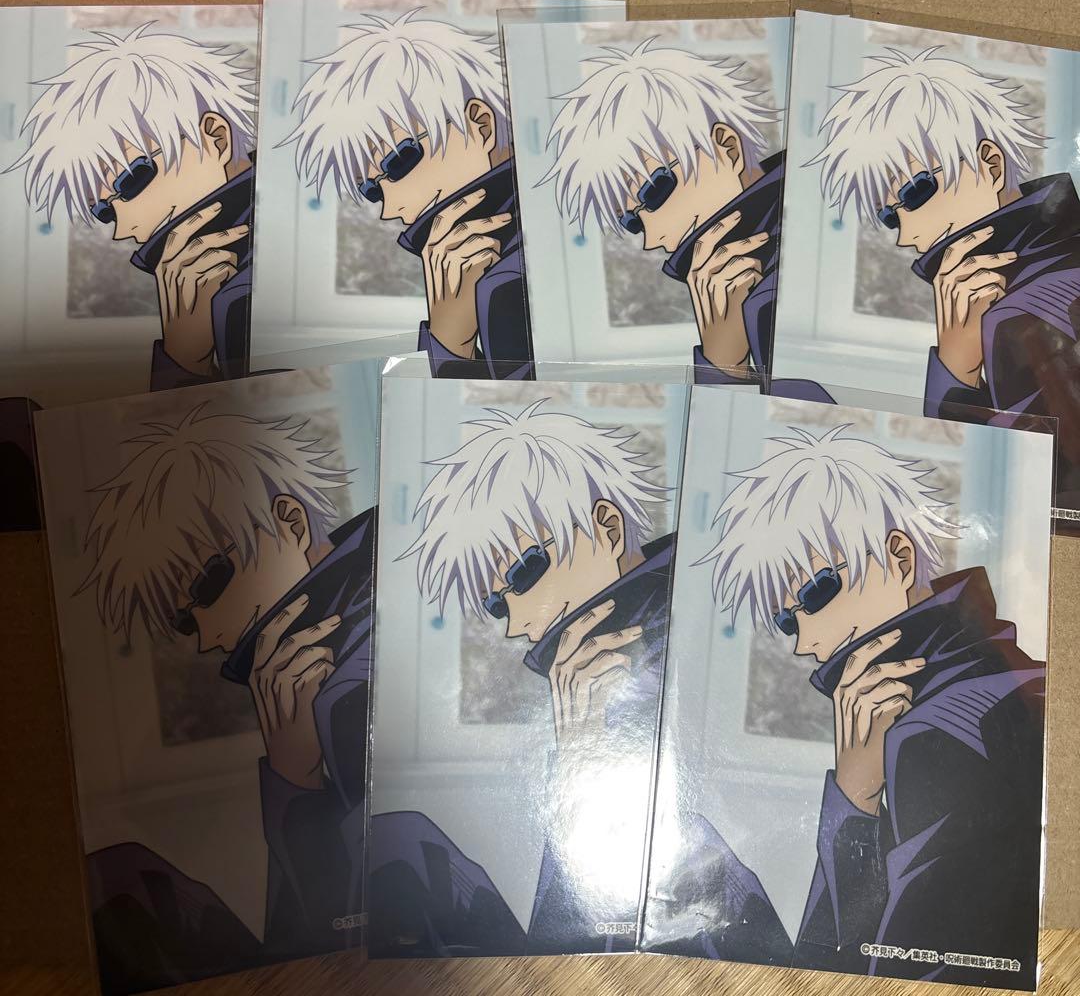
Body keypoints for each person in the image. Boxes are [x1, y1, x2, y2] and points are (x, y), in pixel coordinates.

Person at [702, 425, 1045, 989]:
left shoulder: (933, 731)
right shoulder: (1003, 672)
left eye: (815, 593)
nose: (804, 642)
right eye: (787, 620)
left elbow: (855, 974)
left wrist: (853, 802)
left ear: (899, 558)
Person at [79, 405, 374, 988]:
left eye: (209, 584)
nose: (208, 636)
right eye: (185, 621)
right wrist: (292, 773)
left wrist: (294, 779)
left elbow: (340, 935)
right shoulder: (302, 675)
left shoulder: (349, 676)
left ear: (290, 523)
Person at [371, 400, 674, 956]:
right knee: (400, 842)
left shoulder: (667, 640)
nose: (514, 625)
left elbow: (585, 934)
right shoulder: (586, 669)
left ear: (607, 529)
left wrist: (581, 759)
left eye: (524, 571)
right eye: (496, 603)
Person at [810, 46, 1080, 506]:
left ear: (990, 164)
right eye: (890, 217)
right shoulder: (1022, 283)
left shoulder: (1016, 314)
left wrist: (955, 372)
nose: (905, 235)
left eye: (916, 192)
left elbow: (1032, 498)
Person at [281, 10, 533, 379]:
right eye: (372, 190)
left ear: (481, 125)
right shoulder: (482, 274)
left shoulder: (510, 282)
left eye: (399, 161)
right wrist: (450, 341)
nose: (389, 209)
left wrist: (450, 346)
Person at [6, 24, 257, 390]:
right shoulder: (210, 287)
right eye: (104, 212)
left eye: (131, 180)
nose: (122, 230)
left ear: (216, 138)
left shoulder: (244, 293)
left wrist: (183, 362)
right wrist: (186, 357)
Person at [541, 38, 783, 383]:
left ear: (727, 148)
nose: (651, 240)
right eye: (633, 222)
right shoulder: (736, 290)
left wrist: (724, 366)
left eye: (654, 191)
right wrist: (724, 360)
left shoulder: (778, 282)